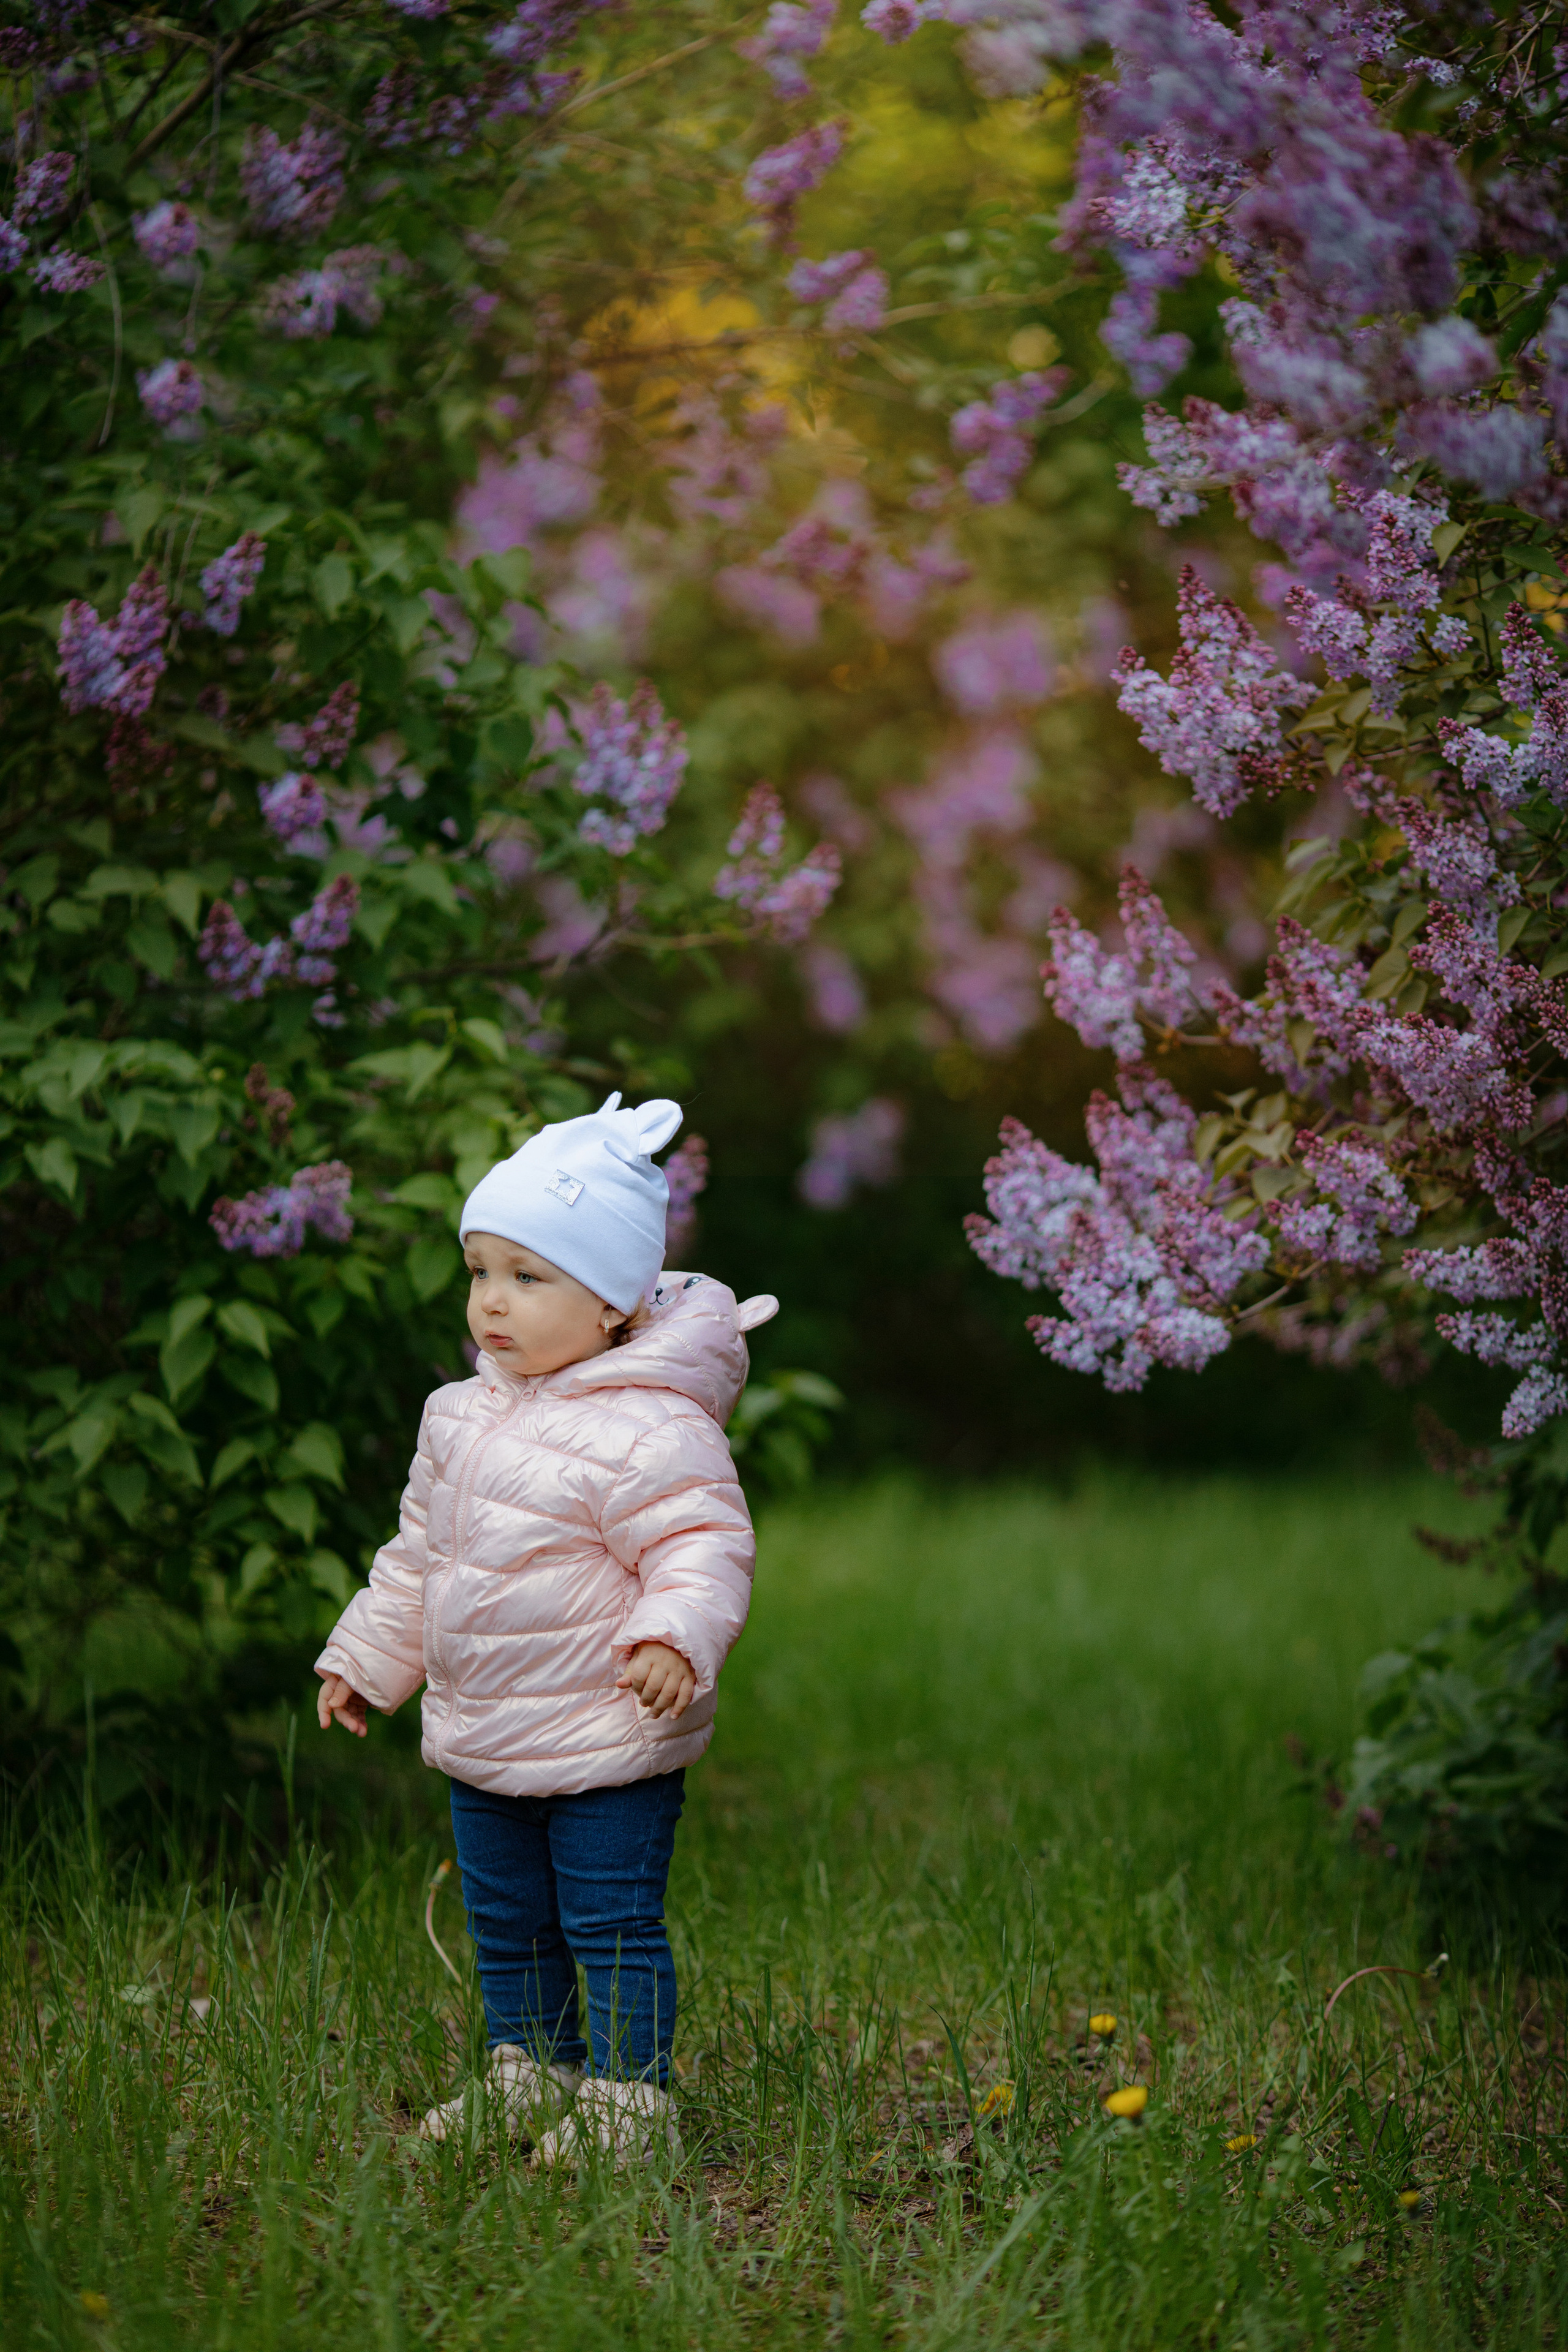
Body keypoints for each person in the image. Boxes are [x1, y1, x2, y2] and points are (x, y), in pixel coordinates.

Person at [314, 1093, 776, 2168]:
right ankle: (531, 2071)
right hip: (484, 1728)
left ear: (615, 1304)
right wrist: (368, 1658)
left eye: (530, 1278)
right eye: (481, 1272)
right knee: (509, 1923)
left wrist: (673, 1637)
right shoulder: (458, 1414)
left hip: (610, 1734)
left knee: (609, 1923)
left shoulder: (652, 1424)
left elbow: (703, 1547)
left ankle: (629, 2098)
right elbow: (419, 1558)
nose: (493, 1303)